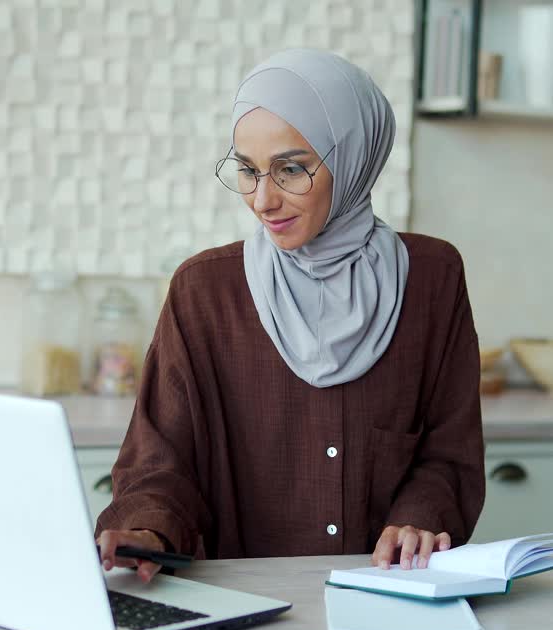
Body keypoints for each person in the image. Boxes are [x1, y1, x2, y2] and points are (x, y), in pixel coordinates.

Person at [96, 48, 485, 582]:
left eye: (291, 169)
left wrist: (420, 518)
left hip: (387, 597)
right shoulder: (204, 291)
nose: (263, 200)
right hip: (239, 605)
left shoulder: (432, 279)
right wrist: (146, 529)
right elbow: (159, 459)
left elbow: (448, 451)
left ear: (353, 157)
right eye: (248, 172)